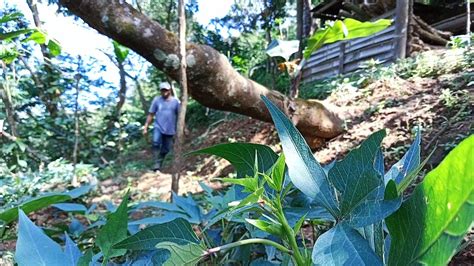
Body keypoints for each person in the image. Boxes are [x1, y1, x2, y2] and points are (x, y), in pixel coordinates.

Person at [143, 82, 180, 171]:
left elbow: (180, 116)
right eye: (162, 90)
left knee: (166, 149)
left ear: (170, 90)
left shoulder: (176, 102)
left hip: (170, 129)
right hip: (158, 126)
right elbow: (151, 114)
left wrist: (184, 128)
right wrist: (146, 126)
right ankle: (156, 164)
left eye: (166, 90)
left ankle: (159, 162)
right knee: (155, 143)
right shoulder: (157, 100)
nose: (164, 92)